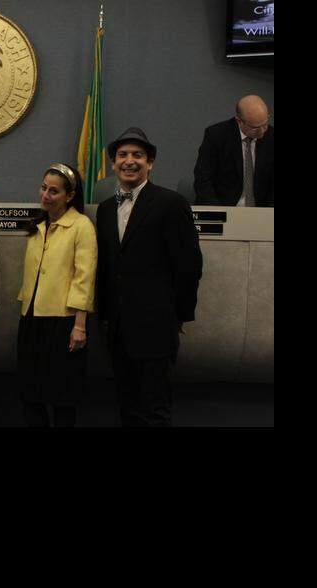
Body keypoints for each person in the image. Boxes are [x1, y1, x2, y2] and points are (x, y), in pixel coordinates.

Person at [96, 127, 203, 426]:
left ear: (150, 163)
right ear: (113, 163)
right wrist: (104, 316)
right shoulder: (105, 210)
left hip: (156, 327)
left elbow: (189, 265)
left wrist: (177, 316)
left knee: (154, 410)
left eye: (138, 155)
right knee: (126, 407)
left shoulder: (171, 204)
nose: (130, 161)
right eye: (123, 155)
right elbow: (106, 266)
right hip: (117, 331)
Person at [16, 163, 97, 427]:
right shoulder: (37, 225)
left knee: (61, 395)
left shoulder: (81, 226)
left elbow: (84, 278)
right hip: (31, 318)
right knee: (30, 394)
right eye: (43, 188)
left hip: (64, 322)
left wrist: (80, 326)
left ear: (69, 196)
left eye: (54, 191)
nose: (45, 195)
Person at [192, 94, 274, 207]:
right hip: (224, 207)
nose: (262, 131)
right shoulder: (217, 136)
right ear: (239, 121)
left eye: (265, 124)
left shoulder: (271, 137)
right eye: (255, 128)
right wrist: (218, 212)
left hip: (261, 211)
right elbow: (203, 178)